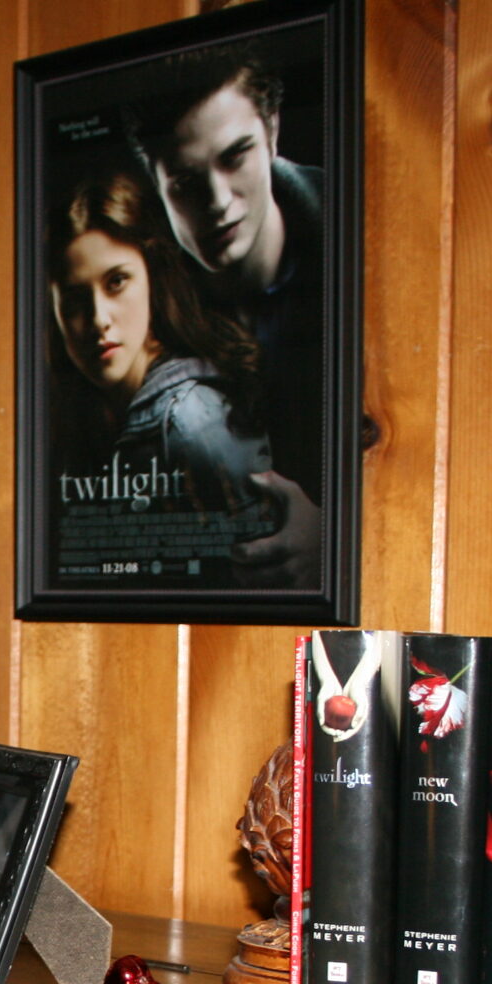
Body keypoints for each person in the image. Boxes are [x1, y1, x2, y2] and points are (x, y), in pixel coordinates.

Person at [129, 42, 325, 586]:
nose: (217, 201)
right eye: (186, 184)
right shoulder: (128, 293)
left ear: (273, 132)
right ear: (156, 181)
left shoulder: (372, 242)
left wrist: (337, 547)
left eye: (235, 156)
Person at [44, 169, 279, 584]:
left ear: (152, 278)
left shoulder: (194, 419)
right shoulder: (81, 420)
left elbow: (267, 576)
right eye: (76, 300)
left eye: (117, 282)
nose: (99, 319)